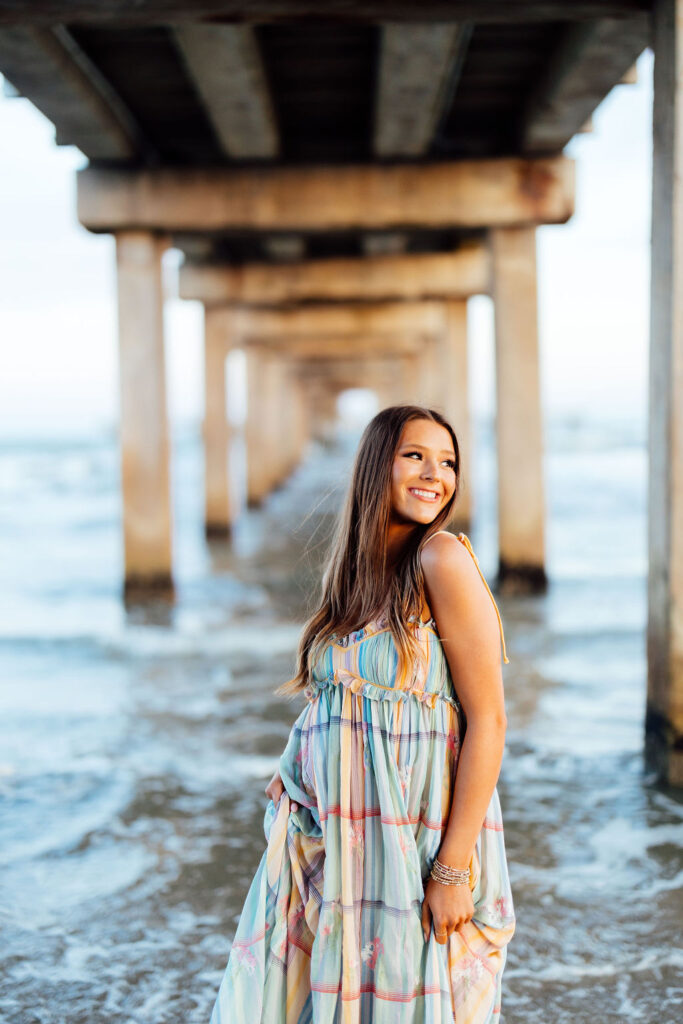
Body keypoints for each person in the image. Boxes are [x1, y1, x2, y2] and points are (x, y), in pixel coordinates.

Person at [209, 404, 516, 1024]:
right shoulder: (357, 576)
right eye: (416, 456)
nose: (437, 474)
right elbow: (333, 700)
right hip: (339, 836)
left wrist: (452, 868)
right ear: (378, 465)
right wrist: (292, 772)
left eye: (449, 461)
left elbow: (489, 722)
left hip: (414, 838)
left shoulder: (443, 560)